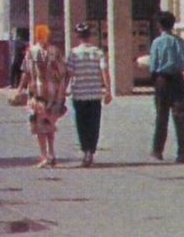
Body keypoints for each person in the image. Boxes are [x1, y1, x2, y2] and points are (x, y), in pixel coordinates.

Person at [16, 23, 67, 168]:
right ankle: (51, 154)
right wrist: (62, 91)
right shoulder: (55, 51)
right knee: (49, 123)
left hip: (37, 94)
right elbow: (63, 73)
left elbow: (25, 73)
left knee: (39, 126)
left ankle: (45, 156)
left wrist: (20, 89)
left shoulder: (31, 52)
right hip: (53, 93)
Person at [65, 22, 112, 167]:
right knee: (94, 124)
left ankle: (85, 150)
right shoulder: (98, 52)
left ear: (78, 36)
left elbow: (69, 74)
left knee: (81, 124)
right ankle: (91, 150)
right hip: (94, 93)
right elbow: (104, 72)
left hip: (79, 93)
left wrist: (64, 89)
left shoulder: (73, 53)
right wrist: (108, 90)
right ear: (89, 36)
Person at [148, 11, 184, 163]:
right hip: (178, 79)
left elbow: (153, 65)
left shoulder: (157, 43)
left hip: (162, 80)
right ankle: (182, 153)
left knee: (161, 116)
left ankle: (158, 150)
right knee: (180, 117)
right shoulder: (179, 42)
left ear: (159, 25)